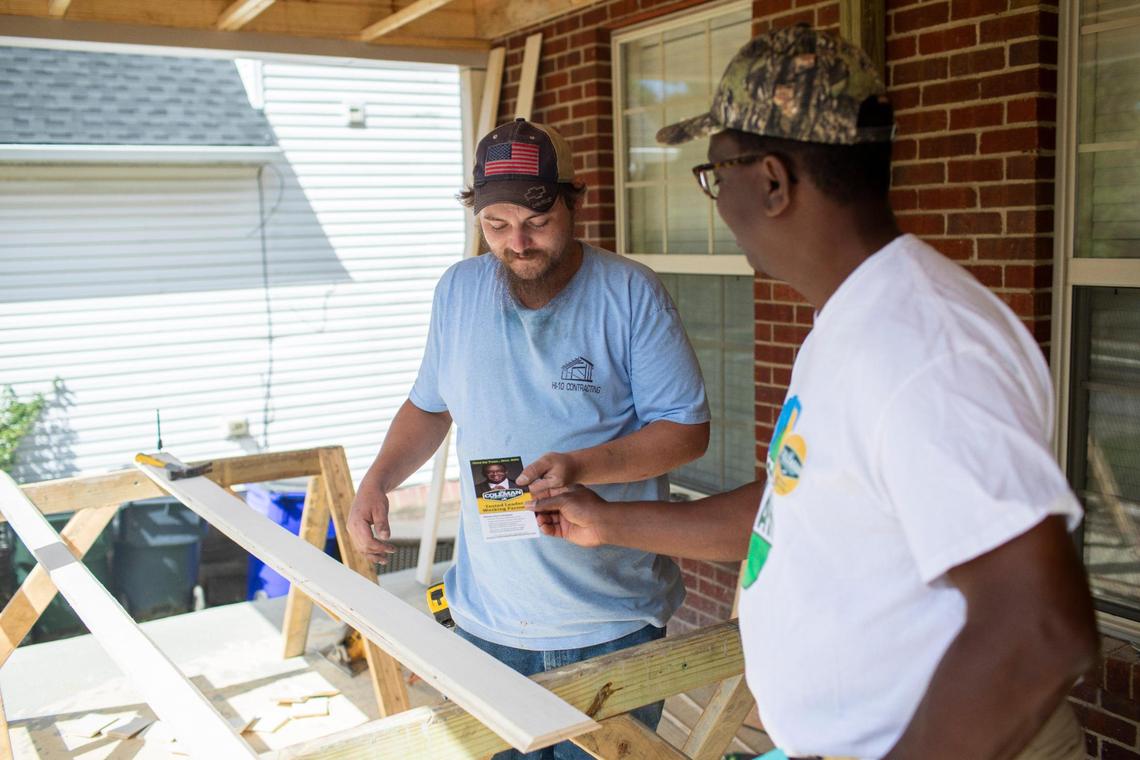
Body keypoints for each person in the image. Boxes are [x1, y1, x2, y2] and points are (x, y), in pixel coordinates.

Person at [530, 24, 1098, 760]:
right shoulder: (852, 324)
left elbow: (1039, 624)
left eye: (715, 174)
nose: (717, 200)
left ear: (771, 181)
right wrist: (607, 522)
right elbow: (787, 511)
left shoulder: (921, 350)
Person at [347, 117, 711, 759]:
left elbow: (686, 433)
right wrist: (377, 479)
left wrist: (580, 466)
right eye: (496, 226)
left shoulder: (629, 293)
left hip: (607, 622)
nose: (517, 243)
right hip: (485, 618)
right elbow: (430, 408)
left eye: (538, 222)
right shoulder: (458, 292)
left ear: (576, 200)